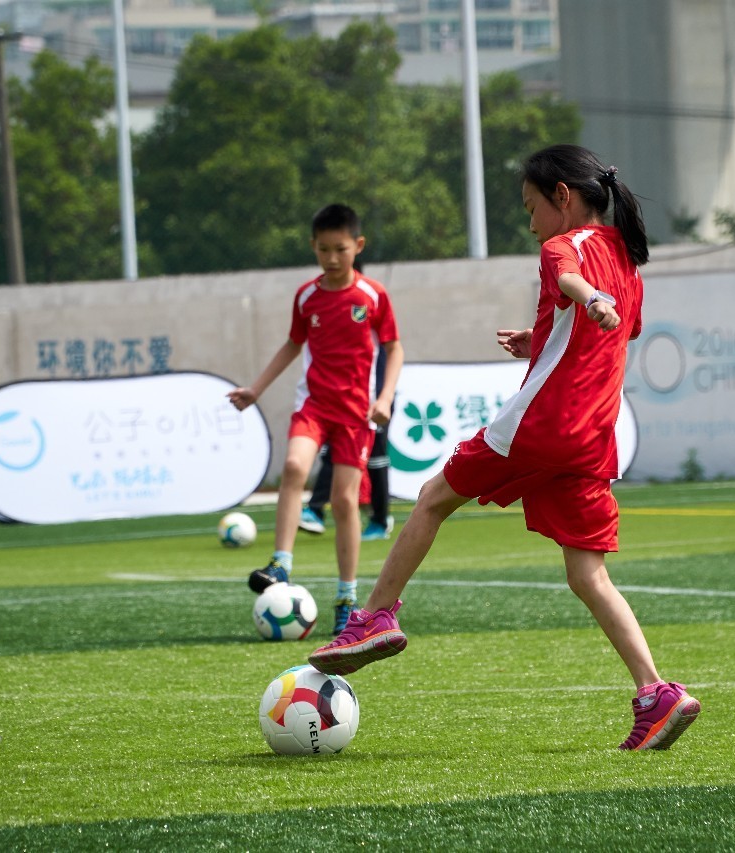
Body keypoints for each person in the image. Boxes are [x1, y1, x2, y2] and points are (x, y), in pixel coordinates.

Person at [309, 145, 701, 751]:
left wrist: (586, 298)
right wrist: (541, 336)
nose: (531, 221)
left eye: (531, 206)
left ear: (562, 197)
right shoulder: (627, 262)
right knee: (588, 574)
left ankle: (374, 617)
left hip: (544, 422)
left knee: (434, 496)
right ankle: (656, 693)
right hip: (596, 437)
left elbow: (569, 275)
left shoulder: (560, 247)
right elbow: (608, 330)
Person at [228, 203, 403, 634]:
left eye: (340, 249)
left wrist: (384, 398)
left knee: (344, 502)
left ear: (357, 246)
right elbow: (292, 344)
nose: (330, 258)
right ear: (313, 247)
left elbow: (393, 348)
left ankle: (346, 595)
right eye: (322, 249)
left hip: (356, 414)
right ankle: (282, 563)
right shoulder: (307, 296)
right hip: (314, 406)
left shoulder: (373, 296)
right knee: (293, 468)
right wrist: (256, 389)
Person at [300, 345, 395, 542]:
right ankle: (315, 510)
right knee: (333, 452)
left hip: (372, 401)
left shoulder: (372, 321)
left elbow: (394, 350)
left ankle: (380, 520)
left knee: (376, 460)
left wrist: (383, 398)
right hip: (345, 401)